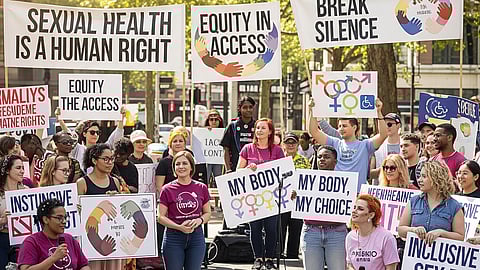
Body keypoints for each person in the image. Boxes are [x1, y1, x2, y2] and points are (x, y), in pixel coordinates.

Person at [308, 98, 387, 191]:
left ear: (354, 127)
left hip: (357, 195)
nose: (341, 129)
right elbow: (314, 132)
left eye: (344, 126)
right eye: (339, 126)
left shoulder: (365, 145)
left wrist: (378, 112)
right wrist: (312, 111)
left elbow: (383, 134)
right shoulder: (334, 143)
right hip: (338, 195)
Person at [237, 118, 285, 270]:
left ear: (270, 131)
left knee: (271, 229)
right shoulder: (247, 149)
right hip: (253, 198)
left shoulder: (277, 150)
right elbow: (238, 171)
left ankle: (269, 258)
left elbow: (283, 171)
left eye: (263, 128)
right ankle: (258, 258)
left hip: (271, 198)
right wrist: (247, 169)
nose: (259, 130)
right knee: (255, 229)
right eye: (257, 128)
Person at [158, 151, 211, 270]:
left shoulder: (201, 187)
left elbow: (208, 213)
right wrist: (179, 227)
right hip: (173, 238)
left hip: (196, 237)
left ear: (191, 167)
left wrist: (199, 220)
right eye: (177, 164)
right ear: (174, 168)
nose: (181, 167)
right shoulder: (167, 189)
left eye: (185, 163)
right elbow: (160, 217)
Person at [76, 144, 124, 270]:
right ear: (94, 160)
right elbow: (78, 212)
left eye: (112, 159)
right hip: (92, 241)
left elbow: (118, 212)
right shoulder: (82, 183)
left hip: (112, 240)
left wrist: (117, 199)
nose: (110, 163)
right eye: (106, 159)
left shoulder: (115, 182)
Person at [299, 145, 347, 270]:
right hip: (311, 232)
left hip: (336, 233)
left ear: (335, 161)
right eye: (319, 156)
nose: (322, 159)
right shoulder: (307, 181)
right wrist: (295, 195)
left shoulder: (345, 183)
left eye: (326, 157)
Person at [398, 161, 465, 244]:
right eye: (419, 176)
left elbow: (460, 237)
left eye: (424, 176)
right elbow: (400, 230)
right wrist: (413, 230)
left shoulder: (454, 206)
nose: (419, 180)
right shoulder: (414, 201)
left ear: (436, 178)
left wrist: (441, 233)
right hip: (414, 254)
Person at [17, 198, 90, 270]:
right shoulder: (31, 242)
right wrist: (53, 258)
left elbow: (83, 265)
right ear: (46, 219)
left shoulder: (70, 239)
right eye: (59, 218)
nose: (64, 221)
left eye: (65, 218)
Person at [346, 194, 400, 270]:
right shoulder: (350, 237)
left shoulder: (387, 238)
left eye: (360, 209)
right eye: (354, 207)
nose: (354, 211)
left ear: (371, 215)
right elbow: (349, 264)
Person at [279, 132, 310, 260]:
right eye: (288, 142)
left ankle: (292, 255)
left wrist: (299, 191)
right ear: (283, 145)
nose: (290, 145)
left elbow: (307, 180)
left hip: (297, 201)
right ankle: (278, 254)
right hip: (281, 201)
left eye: (293, 142)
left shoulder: (304, 160)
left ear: (298, 145)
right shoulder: (278, 160)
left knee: (296, 229)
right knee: (279, 229)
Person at [0, 155, 28, 268]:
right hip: (2, 240)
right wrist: (2, 221)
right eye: (18, 168)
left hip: (22, 242)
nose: (22, 171)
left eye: (23, 168)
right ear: (7, 170)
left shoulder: (27, 191)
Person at [220, 96, 256, 172]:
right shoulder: (232, 126)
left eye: (250, 107)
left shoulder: (257, 126)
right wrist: (228, 169)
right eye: (245, 107)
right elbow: (226, 149)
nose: (248, 110)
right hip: (235, 167)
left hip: (254, 167)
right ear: (240, 109)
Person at [370, 113, 402, 183]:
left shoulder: (405, 145)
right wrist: (386, 169)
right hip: (380, 189)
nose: (386, 127)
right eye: (384, 125)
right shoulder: (377, 146)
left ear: (398, 125)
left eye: (389, 124)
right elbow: (370, 174)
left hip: (400, 189)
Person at [204, 109, 224, 183]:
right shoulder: (203, 131)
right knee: (206, 178)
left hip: (219, 159)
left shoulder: (224, 132)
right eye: (211, 119)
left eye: (216, 119)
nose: (214, 121)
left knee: (219, 180)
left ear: (220, 121)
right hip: (207, 159)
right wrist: (205, 131)